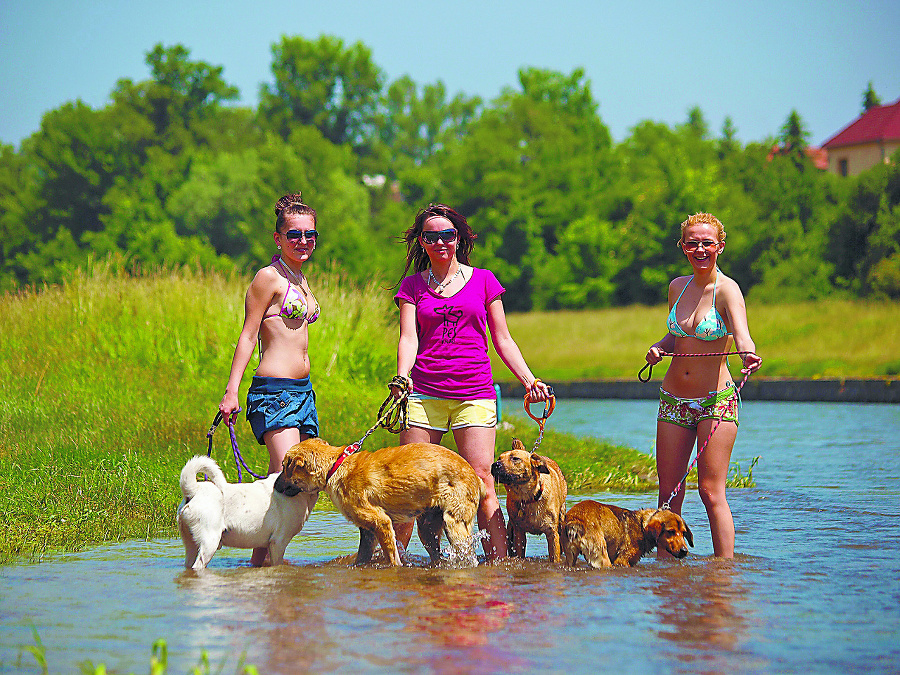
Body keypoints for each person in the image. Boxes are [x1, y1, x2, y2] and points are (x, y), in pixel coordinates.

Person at [391, 203, 553, 562]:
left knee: (482, 480)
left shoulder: (483, 280)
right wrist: (402, 377)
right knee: (411, 484)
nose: (440, 242)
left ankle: (499, 564)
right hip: (423, 393)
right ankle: (395, 566)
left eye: (447, 235)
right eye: (431, 237)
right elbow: (408, 338)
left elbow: (503, 338)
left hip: (474, 393)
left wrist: (529, 380)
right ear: (422, 242)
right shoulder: (412, 286)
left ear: (459, 238)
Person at [645, 213, 762, 558]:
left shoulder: (727, 290)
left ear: (720, 247)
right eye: (692, 243)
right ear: (683, 247)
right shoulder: (677, 287)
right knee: (668, 493)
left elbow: (742, 335)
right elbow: (676, 333)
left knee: (710, 492)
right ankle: (667, 573)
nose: (700, 249)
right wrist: (659, 347)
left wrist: (748, 355)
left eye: (707, 243)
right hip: (673, 399)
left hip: (716, 402)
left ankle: (723, 575)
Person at [219, 192, 321, 566]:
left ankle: (258, 569)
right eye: (294, 235)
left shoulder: (299, 276)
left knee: (296, 485)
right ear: (278, 238)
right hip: (274, 393)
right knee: (290, 483)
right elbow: (248, 336)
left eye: (310, 235)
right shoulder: (268, 277)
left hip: (302, 393)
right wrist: (232, 391)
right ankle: (270, 573)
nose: (303, 241)